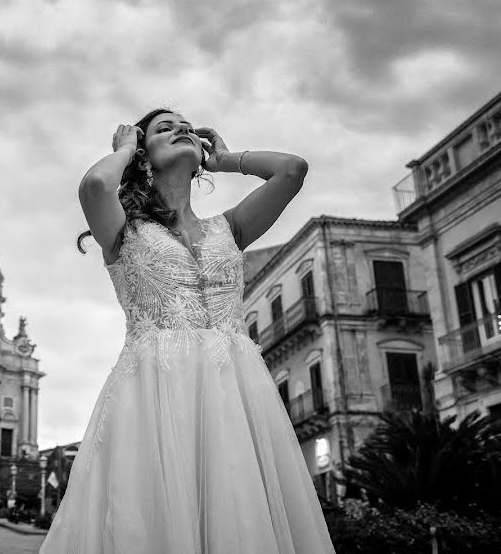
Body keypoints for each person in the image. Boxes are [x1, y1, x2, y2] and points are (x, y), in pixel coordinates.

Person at [38, 110, 336, 553]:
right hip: (154, 395)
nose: (181, 129)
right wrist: (122, 148)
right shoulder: (124, 230)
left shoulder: (229, 228)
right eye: (165, 128)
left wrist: (229, 159)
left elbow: (292, 170)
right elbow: (96, 186)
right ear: (143, 154)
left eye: (187, 126)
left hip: (236, 392)